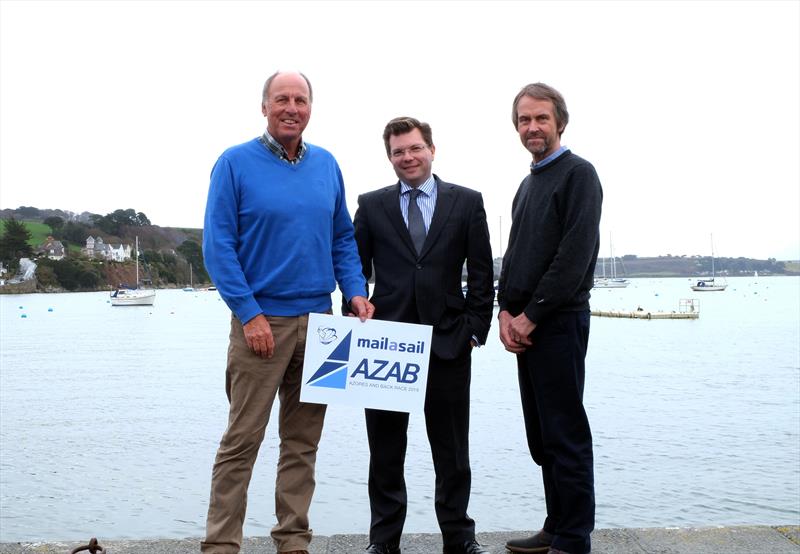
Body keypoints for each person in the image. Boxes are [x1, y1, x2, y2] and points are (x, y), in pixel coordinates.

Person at [201, 70, 374, 554]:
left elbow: (342, 237)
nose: (291, 108)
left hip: (322, 327)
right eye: (282, 99)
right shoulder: (234, 164)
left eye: (300, 100)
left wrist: (355, 291)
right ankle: (221, 545)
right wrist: (249, 313)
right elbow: (218, 247)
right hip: (262, 323)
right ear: (264, 107)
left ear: (310, 109)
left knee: (302, 444)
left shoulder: (327, 165)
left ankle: (293, 540)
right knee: (242, 442)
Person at [345, 117, 495, 554]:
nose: (407, 157)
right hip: (386, 345)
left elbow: (482, 273)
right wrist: (354, 304)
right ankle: (384, 541)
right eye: (398, 151)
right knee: (386, 453)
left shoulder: (467, 202)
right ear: (389, 156)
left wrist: (475, 330)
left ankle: (459, 538)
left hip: (448, 342)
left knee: (452, 453)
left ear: (431, 149)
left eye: (414, 148)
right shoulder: (371, 206)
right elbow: (354, 268)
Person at [497, 83, 602, 554]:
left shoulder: (579, 174)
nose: (532, 127)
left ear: (560, 121)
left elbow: (573, 257)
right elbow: (516, 254)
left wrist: (531, 315)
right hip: (524, 326)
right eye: (524, 120)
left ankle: (574, 538)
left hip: (557, 323)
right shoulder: (527, 183)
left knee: (565, 431)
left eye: (540, 118)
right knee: (541, 434)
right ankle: (555, 524)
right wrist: (503, 310)